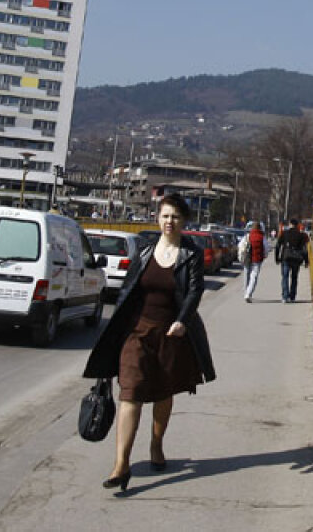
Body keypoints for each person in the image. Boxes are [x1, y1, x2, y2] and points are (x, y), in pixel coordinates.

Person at [83, 194, 215, 493]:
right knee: (130, 393)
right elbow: (128, 290)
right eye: (166, 216)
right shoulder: (144, 249)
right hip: (136, 332)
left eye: (176, 217)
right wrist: (116, 327)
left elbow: (194, 291)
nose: (170, 221)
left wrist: (182, 319)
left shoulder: (191, 254)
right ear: (158, 217)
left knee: (162, 394)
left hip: (171, 333)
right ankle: (121, 464)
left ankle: (156, 444)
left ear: (184, 221)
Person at [275, 218, 309, 303]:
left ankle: (285, 297)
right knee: (294, 277)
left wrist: (277, 258)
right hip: (296, 259)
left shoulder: (285, 234)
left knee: (285, 277)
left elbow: (278, 246)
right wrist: (306, 261)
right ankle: (292, 297)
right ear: (297, 225)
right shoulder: (301, 235)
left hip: (285, 258)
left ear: (290, 224)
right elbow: (304, 249)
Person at [238, 221, 267, 303]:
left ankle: (246, 293)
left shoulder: (248, 236)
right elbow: (266, 248)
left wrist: (241, 256)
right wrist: (264, 255)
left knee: (246, 275)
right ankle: (248, 294)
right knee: (253, 277)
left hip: (247, 258)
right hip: (257, 259)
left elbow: (240, 246)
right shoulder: (262, 237)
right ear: (260, 228)